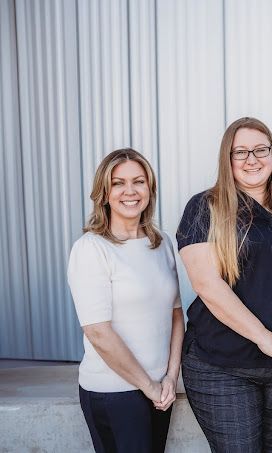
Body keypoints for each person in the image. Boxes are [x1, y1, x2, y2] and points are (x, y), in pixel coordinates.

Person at [176, 117, 272, 453]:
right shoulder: (205, 207)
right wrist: (265, 338)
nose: (251, 159)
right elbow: (207, 285)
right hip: (221, 364)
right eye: (240, 152)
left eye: (260, 150)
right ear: (227, 159)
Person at [67, 148, 184, 453]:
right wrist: (149, 386)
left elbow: (175, 316)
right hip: (115, 393)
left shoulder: (161, 243)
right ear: (103, 194)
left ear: (150, 189)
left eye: (139, 181)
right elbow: (98, 332)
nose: (129, 191)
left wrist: (170, 378)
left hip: (160, 391)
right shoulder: (91, 249)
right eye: (118, 183)